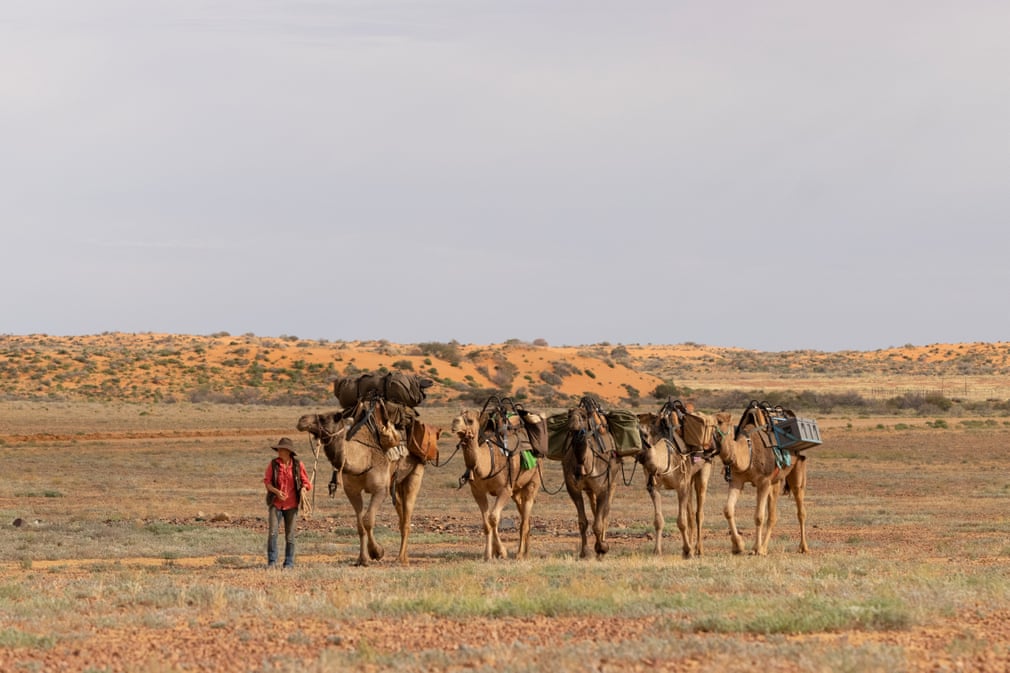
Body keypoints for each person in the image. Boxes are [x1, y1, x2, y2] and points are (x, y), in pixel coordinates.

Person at [263, 437, 311, 568]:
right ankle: (272, 562)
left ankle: (289, 563)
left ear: (289, 451)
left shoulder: (297, 465)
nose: (279, 452)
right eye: (278, 449)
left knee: (290, 535)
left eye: (282, 450)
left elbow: (307, 483)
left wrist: (303, 488)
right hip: (276, 504)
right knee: (273, 532)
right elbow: (267, 482)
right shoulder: (273, 464)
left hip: (292, 505)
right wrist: (276, 492)